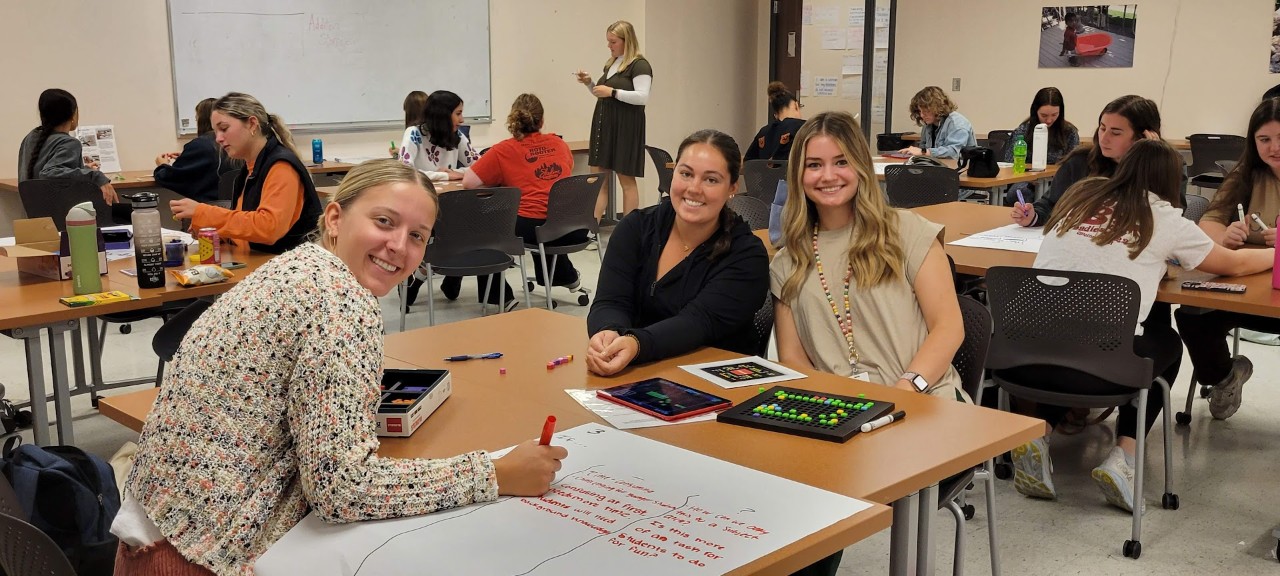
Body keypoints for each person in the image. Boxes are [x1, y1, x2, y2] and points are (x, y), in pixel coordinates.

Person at [113, 160, 568, 575]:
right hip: (194, 555)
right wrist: (495, 474)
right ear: (335, 218)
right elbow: (341, 489)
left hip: (159, 529)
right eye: (384, 222)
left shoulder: (299, 265)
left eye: (417, 235)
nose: (398, 246)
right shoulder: (341, 302)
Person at [1007, 140, 1273, 511]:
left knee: (1071, 341)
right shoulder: (1164, 218)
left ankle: (1038, 436)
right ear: (1170, 180)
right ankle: (1124, 458)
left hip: (1024, 360)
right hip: (1099, 370)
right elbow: (1232, 265)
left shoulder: (1081, 194)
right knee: (1166, 345)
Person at [774, 110, 965, 400]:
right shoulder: (787, 262)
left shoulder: (908, 231)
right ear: (798, 174)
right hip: (842, 410)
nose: (828, 176)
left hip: (924, 399)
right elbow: (793, 361)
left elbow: (949, 327)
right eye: (814, 165)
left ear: (861, 165)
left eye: (841, 162)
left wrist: (904, 392)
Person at [586, 129, 768, 377]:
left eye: (711, 180)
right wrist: (608, 331)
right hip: (638, 374)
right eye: (686, 174)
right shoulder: (635, 228)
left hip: (712, 383)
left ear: (732, 187)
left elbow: (698, 322)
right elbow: (610, 301)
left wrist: (636, 344)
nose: (694, 188)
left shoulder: (747, 256)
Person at [1174, 97, 1280, 420]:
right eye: (1264, 139)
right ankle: (1223, 378)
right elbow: (1207, 227)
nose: (1274, 147)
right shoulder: (1246, 174)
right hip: (1245, 288)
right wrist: (1225, 236)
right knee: (1191, 315)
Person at [464, 93, 587, 305]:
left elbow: (468, 183)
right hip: (573, 226)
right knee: (543, 216)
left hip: (534, 229)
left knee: (487, 226)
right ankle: (563, 275)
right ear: (542, 120)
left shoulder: (503, 150)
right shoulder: (559, 144)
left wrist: (501, 181)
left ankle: (499, 297)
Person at [170, 92, 323, 255]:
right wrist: (214, 230)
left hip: (293, 269)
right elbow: (246, 227)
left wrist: (203, 213)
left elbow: (268, 228)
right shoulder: (248, 169)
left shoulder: (281, 166)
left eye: (224, 129)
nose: (218, 138)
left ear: (251, 124)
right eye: (216, 132)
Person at [1011, 94, 1162, 228]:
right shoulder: (1080, 161)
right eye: (1102, 128)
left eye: (1115, 133)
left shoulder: (1164, 167)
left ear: (1141, 137)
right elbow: (1051, 204)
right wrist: (1032, 216)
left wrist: (1150, 159)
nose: (1104, 138)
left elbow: (1169, 215)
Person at [575, 20, 653, 219]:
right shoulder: (611, 64)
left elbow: (642, 96)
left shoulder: (639, 65)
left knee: (626, 181)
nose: (609, 46)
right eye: (608, 42)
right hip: (604, 127)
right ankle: (591, 230)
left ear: (627, 41)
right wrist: (589, 83)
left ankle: (628, 230)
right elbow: (600, 93)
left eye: (613, 41)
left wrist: (613, 91)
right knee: (598, 180)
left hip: (625, 128)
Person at [17, 88, 118, 205]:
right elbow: (48, 174)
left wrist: (83, 170)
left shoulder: (30, 137)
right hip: (66, 216)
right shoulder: (69, 143)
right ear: (72, 115)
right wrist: (94, 175)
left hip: (36, 215)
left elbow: (46, 172)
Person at [154, 97, 239, 204]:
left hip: (210, 209)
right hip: (238, 207)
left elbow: (171, 178)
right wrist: (188, 156)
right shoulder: (234, 141)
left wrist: (162, 165)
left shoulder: (200, 145)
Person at [399, 90, 479, 182]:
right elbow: (404, 172)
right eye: (458, 114)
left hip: (449, 192)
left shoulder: (457, 135)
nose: (462, 120)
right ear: (443, 115)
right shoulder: (414, 133)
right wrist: (442, 175)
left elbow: (482, 166)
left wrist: (455, 172)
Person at [1002, 87, 1080, 165]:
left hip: (1058, 176)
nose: (1049, 120)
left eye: (1054, 115)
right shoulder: (1023, 131)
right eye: (1044, 115)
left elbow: (1074, 166)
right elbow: (1010, 163)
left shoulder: (1069, 132)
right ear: (1035, 112)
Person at [898, 86, 976, 159]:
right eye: (920, 111)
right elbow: (923, 147)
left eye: (926, 111)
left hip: (960, 169)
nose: (922, 115)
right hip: (937, 166)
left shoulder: (957, 123)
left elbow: (954, 152)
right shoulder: (928, 124)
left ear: (937, 108)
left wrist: (923, 152)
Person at [745, 82, 805, 161]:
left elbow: (748, 161)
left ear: (776, 114)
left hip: (766, 173)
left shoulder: (763, 132)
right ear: (796, 106)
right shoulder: (804, 128)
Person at [391, 90, 429, 157]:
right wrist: (401, 152)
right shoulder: (435, 130)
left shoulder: (412, 132)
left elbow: (406, 164)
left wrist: (399, 156)